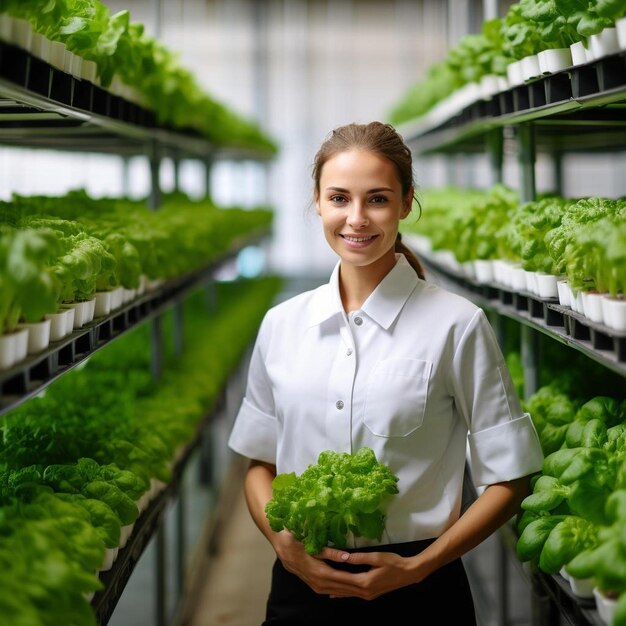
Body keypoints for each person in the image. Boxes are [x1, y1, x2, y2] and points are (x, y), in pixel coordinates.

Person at [227, 121, 544, 625]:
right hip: (301, 586)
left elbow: (512, 477)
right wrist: (282, 545)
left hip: (421, 592)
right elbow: (260, 464)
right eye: (339, 198)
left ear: (405, 202)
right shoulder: (282, 325)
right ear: (317, 203)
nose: (356, 218)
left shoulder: (456, 325)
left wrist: (419, 567)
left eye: (376, 199)